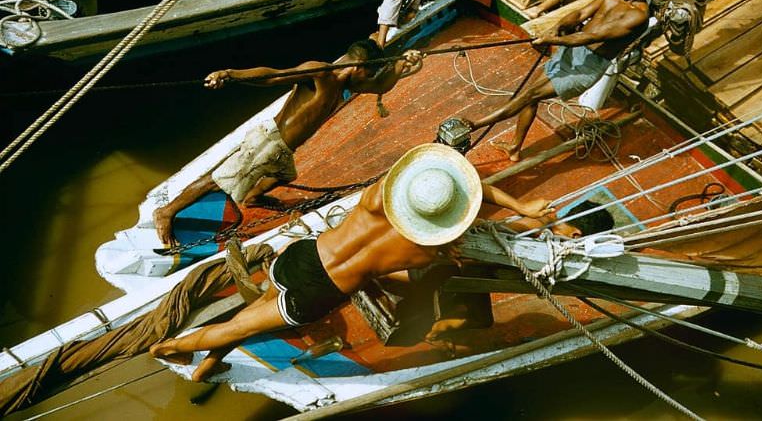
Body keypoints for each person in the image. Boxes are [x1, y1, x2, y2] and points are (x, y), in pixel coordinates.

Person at [150, 143, 570, 381]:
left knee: (252, 313)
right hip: (323, 290)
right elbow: (411, 273)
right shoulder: (427, 249)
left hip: (303, 256)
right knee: (239, 325)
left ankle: (207, 363)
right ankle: (167, 349)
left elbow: (472, 185)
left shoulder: (376, 196)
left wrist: (518, 205)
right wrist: (524, 211)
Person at [153, 39, 423, 247]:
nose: (370, 79)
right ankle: (167, 212)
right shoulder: (320, 73)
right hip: (268, 142)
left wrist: (403, 65)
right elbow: (273, 75)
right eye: (370, 73)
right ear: (359, 68)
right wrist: (230, 73)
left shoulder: (345, 84)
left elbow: (380, 87)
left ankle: (254, 196)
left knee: (284, 174)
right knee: (218, 180)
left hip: (283, 149)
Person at [465, 0, 657, 161]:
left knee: (529, 95)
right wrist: (558, 26)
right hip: (572, 51)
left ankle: (475, 125)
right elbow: (580, 13)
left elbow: (591, 36)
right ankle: (514, 148)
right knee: (531, 97)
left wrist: (552, 39)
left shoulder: (639, 17)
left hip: (588, 67)